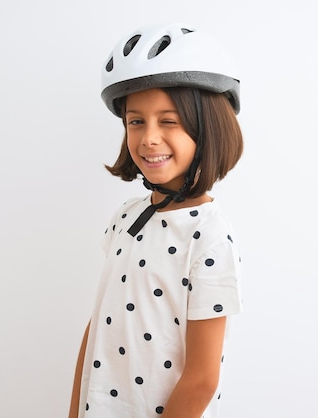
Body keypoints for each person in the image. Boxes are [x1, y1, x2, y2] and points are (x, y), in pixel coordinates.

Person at [68, 22, 244, 418]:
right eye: (136, 121)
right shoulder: (126, 216)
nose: (149, 137)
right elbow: (99, 323)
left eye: (168, 121)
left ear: (208, 129)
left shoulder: (209, 236)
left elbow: (202, 378)